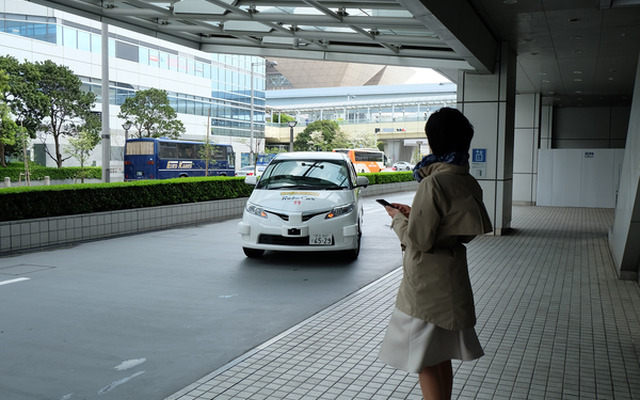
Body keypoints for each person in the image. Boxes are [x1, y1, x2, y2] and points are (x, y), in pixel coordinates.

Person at [378, 107, 493, 400]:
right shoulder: (466, 179)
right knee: (440, 355)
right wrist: (411, 214)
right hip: (452, 278)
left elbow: (419, 240)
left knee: (424, 359)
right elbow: (458, 227)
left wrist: (397, 218)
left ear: (433, 142)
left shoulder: (433, 182)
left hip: (426, 286)